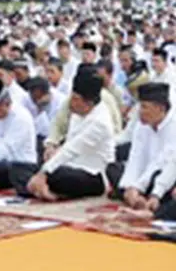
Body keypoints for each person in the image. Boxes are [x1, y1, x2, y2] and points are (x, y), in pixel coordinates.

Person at [27, 69, 115, 201]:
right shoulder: (77, 112)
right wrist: (52, 150)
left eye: (75, 99)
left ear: (89, 103)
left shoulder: (100, 122)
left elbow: (72, 149)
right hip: (69, 165)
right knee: (24, 166)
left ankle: (44, 186)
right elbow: (66, 141)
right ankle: (45, 187)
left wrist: (43, 173)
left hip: (93, 174)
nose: (70, 103)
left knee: (56, 175)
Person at [113, 83, 176, 211]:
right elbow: (135, 157)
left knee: (157, 176)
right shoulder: (141, 126)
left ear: (160, 108)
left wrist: (137, 187)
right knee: (114, 168)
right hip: (143, 178)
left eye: (144, 107)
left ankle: (138, 197)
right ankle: (135, 197)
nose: (140, 112)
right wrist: (130, 186)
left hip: (165, 178)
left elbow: (161, 162)